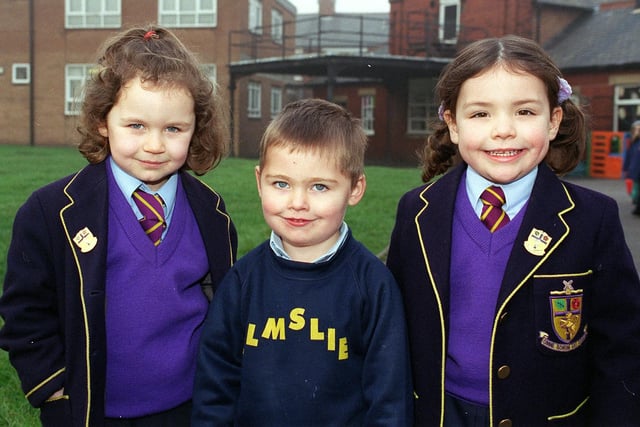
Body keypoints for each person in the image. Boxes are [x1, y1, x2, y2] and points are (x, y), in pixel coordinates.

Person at [386, 35, 640, 426]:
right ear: (452, 124)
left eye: (524, 112)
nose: (503, 130)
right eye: (480, 114)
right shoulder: (417, 211)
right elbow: (392, 328)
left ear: (553, 120)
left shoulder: (593, 218)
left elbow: (622, 347)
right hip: (437, 414)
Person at [0, 26, 237, 427]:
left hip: (190, 408)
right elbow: (25, 311)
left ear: (196, 128)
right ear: (102, 122)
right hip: (92, 410)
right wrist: (54, 392)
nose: (155, 144)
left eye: (174, 129)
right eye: (136, 126)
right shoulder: (50, 211)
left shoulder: (211, 212)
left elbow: (225, 308)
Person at [191, 98, 413, 426]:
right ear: (259, 181)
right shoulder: (242, 281)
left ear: (355, 188)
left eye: (319, 187)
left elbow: (389, 399)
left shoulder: (373, 285)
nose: (297, 203)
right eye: (281, 184)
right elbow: (215, 386)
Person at [623, 120, 640, 214]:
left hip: (637, 171)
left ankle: (638, 208)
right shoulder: (633, 142)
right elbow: (629, 156)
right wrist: (626, 168)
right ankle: (637, 204)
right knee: (635, 189)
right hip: (635, 171)